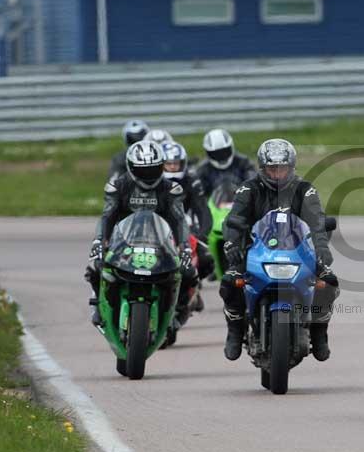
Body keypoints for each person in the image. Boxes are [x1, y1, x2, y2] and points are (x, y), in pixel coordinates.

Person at [218, 138, 338, 362]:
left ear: (291, 167)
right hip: (255, 252)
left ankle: (319, 333)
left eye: (282, 169)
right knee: (229, 281)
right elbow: (234, 221)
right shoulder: (248, 189)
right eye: (272, 169)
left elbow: (317, 222)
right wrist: (232, 244)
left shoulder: (305, 190)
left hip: (297, 253)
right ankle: (234, 331)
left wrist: (321, 248)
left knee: (328, 282)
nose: (277, 174)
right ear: (263, 168)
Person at [85, 140, 198, 326]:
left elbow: (179, 220)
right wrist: (99, 240)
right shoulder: (118, 187)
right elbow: (107, 216)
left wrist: (185, 246)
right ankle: (99, 304)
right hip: (123, 244)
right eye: (142, 170)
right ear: (130, 167)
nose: (148, 175)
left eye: (153, 169)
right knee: (97, 266)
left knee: (188, 272)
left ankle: (180, 308)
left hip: (160, 244)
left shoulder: (171, 189)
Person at [162, 141, 215, 281]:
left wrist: (202, 236)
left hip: (184, 227)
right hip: (157, 229)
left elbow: (203, 210)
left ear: (183, 163)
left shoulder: (191, 181)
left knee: (206, 259)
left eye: (176, 163)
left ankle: (193, 286)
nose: (173, 167)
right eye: (168, 163)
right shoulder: (153, 181)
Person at [193, 129, 258, 194]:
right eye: (216, 153)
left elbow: (253, 181)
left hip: (241, 202)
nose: (221, 156)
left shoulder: (244, 163)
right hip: (212, 203)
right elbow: (197, 192)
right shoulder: (203, 169)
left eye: (224, 152)